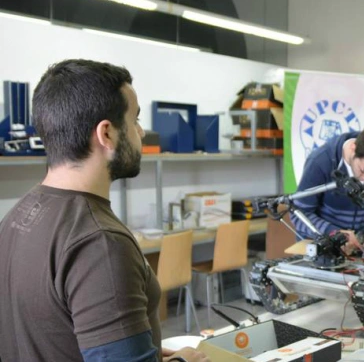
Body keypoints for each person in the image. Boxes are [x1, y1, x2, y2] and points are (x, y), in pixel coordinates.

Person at [0, 60, 209, 362]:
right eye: (135, 120)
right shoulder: (100, 243)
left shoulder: (17, 216)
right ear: (107, 134)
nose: (141, 132)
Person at [291, 126, 364, 252]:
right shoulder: (320, 161)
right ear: (353, 148)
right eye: (362, 171)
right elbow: (298, 214)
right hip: (318, 246)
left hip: (354, 246)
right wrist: (334, 233)